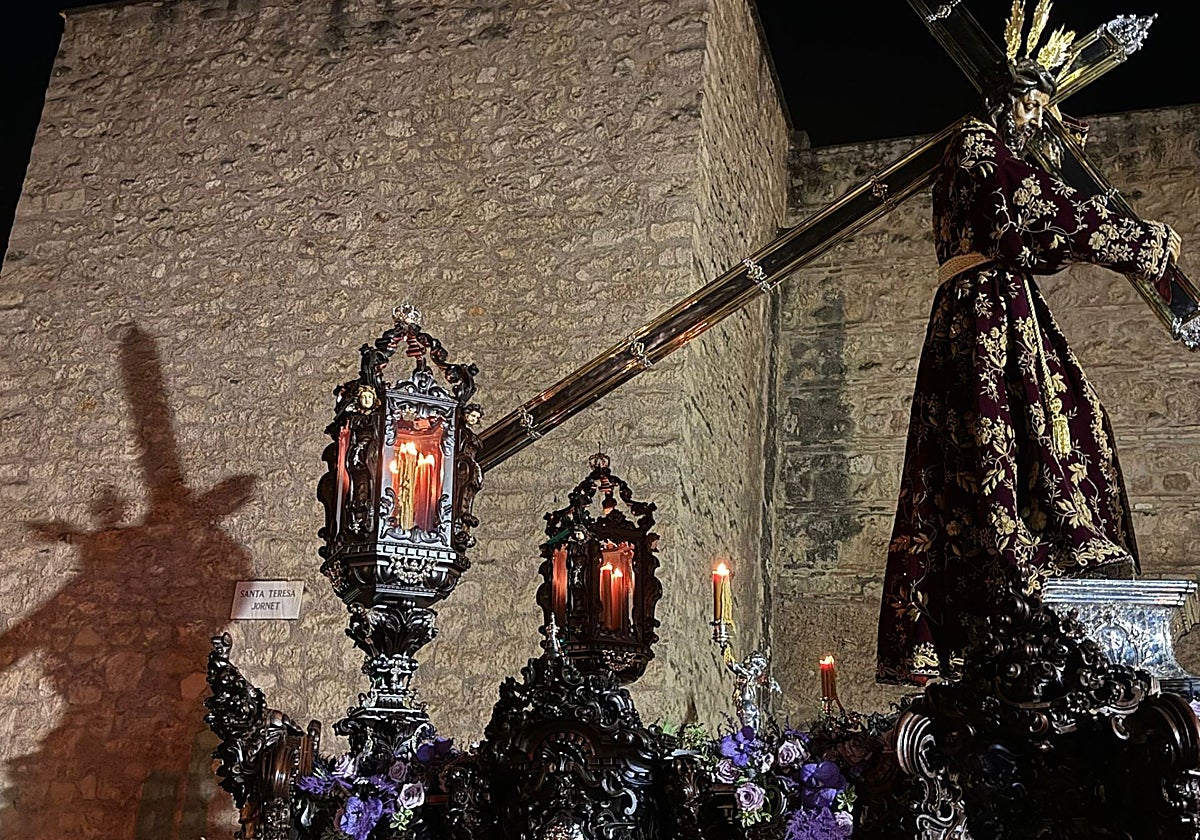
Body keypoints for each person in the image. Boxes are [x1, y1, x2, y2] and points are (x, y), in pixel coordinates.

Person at [875, 54, 1183, 686]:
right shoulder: (973, 145)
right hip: (984, 314)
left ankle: (1063, 546)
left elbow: (1036, 228)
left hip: (1002, 302)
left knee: (1074, 410)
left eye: (1044, 110)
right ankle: (1025, 554)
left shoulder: (988, 149)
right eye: (1032, 108)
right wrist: (1140, 241)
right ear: (1003, 102)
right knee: (1000, 432)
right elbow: (1037, 212)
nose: (1038, 124)